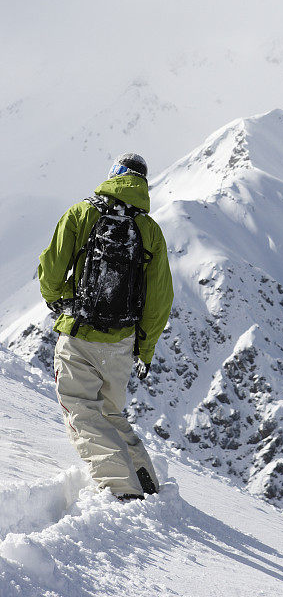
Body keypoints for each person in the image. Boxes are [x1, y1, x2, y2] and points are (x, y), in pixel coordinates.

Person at [38, 153, 174, 501]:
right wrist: (144, 349)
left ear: (113, 175)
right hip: (121, 344)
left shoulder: (82, 213)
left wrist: (58, 299)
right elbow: (160, 299)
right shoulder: (150, 231)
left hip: (80, 334)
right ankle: (146, 481)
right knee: (111, 412)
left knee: (82, 412)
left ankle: (122, 490)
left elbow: (52, 268)